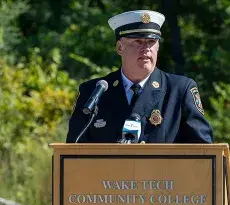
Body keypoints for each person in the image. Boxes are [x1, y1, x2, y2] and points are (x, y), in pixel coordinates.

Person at [66, 10, 213, 143]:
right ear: (119, 47)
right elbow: (72, 152)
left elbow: (204, 151)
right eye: (138, 41)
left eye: (151, 42)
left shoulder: (179, 90)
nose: (146, 49)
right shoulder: (93, 92)